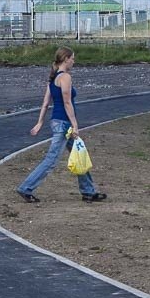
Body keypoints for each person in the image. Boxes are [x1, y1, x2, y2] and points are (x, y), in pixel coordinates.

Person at [17, 46, 106, 203]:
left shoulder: (53, 78)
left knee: (80, 155)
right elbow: (67, 102)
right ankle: (26, 188)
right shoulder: (65, 77)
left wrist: (40, 122)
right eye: (72, 58)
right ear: (66, 59)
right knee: (51, 159)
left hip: (58, 122)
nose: (74, 61)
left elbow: (45, 103)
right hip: (64, 124)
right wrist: (75, 125)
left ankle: (88, 191)